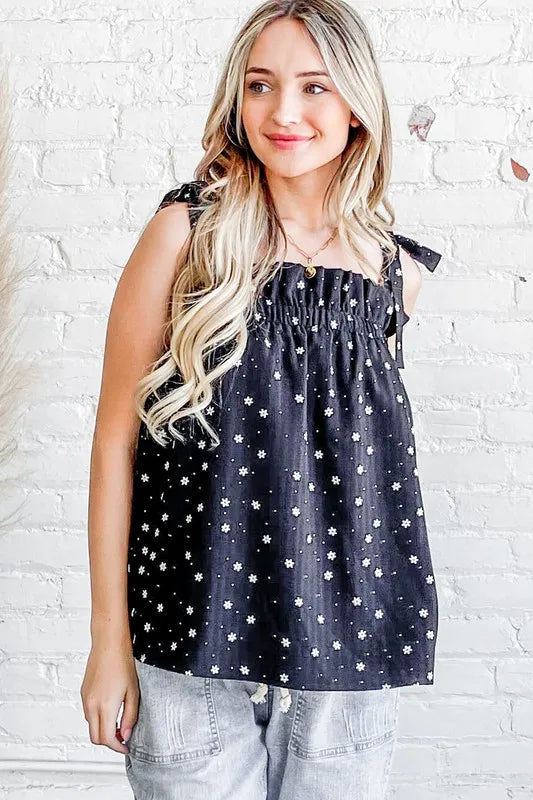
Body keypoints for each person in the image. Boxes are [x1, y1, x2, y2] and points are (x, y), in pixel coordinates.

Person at [80, 1, 441, 798]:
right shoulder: (186, 235)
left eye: (314, 86)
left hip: (346, 644)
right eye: (260, 85)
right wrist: (109, 642)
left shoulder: (394, 274)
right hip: (188, 631)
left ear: (356, 105)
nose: (283, 112)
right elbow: (114, 442)